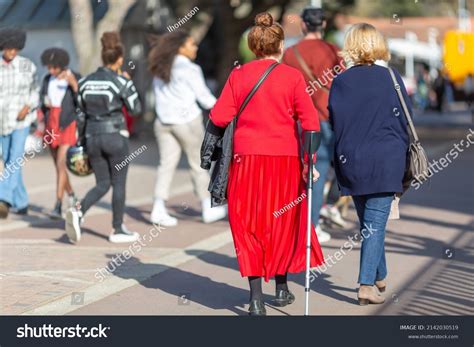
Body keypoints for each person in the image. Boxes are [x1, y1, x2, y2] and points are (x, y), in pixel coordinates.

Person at [210, 12, 324, 315]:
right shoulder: (292, 77)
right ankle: (282, 287)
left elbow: (219, 116)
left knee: (248, 225)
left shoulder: (239, 76)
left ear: (254, 46)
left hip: (245, 161)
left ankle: (256, 298)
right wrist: (308, 160)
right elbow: (311, 123)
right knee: (282, 222)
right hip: (285, 162)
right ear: (281, 45)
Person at [328, 23, 409, 305]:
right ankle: (365, 285)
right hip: (386, 160)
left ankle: (379, 274)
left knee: (370, 224)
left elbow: (334, 123)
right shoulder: (391, 77)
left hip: (351, 160)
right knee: (374, 226)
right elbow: (406, 119)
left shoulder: (340, 81)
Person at [65, 32, 142, 243]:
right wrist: (129, 84)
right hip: (115, 136)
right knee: (118, 183)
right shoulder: (120, 81)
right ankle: (117, 229)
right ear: (119, 59)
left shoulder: (85, 82)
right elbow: (135, 109)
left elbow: (79, 113)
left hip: (92, 137)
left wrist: (80, 141)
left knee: (102, 183)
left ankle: (78, 211)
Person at [148, 29, 227, 227]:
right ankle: (207, 207)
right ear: (181, 47)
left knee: (166, 165)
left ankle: (158, 207)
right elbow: (205, 98)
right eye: (192, 44)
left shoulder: (160, 67)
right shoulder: (190, 69)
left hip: (163, 122)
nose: (196, 47)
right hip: (187, 123)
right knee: (198, 164)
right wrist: (227, 111)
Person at [282, 7, 344, 243]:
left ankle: (297, 223)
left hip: (297, 118)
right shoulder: (333, 51)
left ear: (304, 25)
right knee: (320, 170)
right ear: (324, 25)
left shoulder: (290, 53)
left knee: (300, 172)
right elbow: (343, 83)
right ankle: (313, 224)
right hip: (326, 117)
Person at [0, 28, 39, 218]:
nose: (12, 52)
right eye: (9, 49)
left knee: (15, 158)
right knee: (9, 161)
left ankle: (3, 198)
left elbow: (35, 91)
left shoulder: (27, 66)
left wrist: (28, 106)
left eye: (16, 49)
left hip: (22, 121)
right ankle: (21, 202)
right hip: (2, 121)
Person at [39, 48, 80, 219]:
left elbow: (82, 100)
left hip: (67, 123)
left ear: (61, 66)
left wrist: (74, 84)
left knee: (62, 162)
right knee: (58, 165)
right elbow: (42, 99)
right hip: (51, 122)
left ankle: (57, 204)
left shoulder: (74, 76)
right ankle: (72, 196)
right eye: (49, 67)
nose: (51, 71)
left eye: (54, 68)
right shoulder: (48, 79)